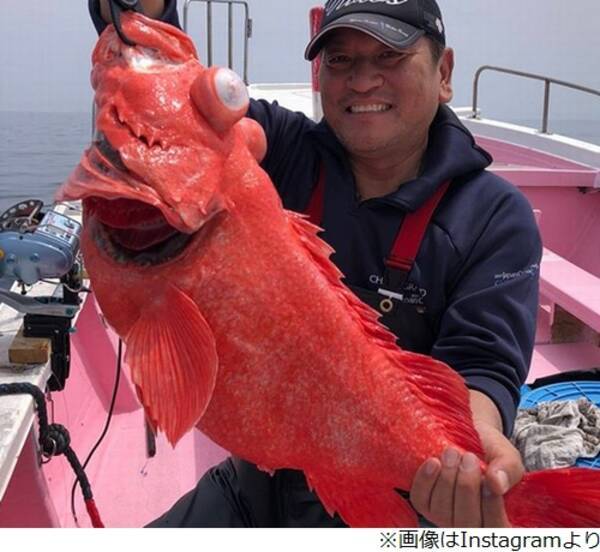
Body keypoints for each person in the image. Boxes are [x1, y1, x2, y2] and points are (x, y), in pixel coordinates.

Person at [90, 0, 542, 528]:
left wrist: (468, 450)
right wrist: (140, 13)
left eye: (390, 56)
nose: (363, 81)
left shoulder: (495, 215)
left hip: (403, 494)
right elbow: (177, 114)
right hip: (255, 482)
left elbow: (482, 362)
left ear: (444, 74)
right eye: (341, 60)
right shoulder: (286, 149)